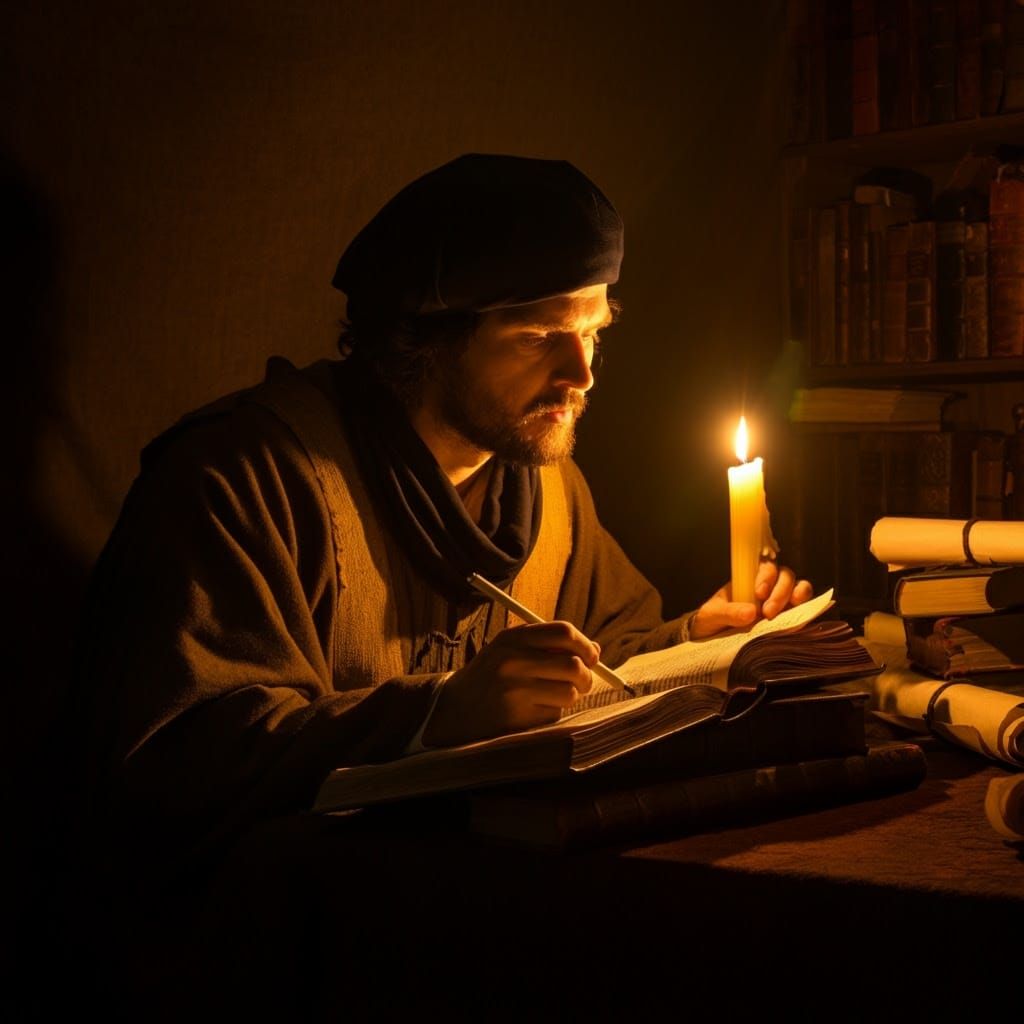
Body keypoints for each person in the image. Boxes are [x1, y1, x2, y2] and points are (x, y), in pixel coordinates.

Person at [66, 153, 811, 1016]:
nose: (582, 373)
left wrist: (698, 643)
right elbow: (173, 758)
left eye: (595, 331)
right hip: (258, 974)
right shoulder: (242, 480)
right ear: (420, 339)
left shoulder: (549, 489)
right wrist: (437, 715)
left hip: (469, 946)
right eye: (539, 337)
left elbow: (607, 662)